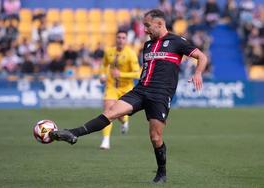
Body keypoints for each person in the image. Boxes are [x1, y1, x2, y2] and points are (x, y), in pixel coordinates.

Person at [49, 9, 208, 184]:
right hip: (140, 90)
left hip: (160, 95)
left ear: (160, 23)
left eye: (148, 26)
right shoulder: (147, 45)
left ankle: (162, 173)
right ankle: (73, 133)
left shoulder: (177, 42)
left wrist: (198, 73)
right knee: (110, 112)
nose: (145, 30)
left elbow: (201, 57)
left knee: (156, 137)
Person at [99, 30, 140, 149]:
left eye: (123, 38)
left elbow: (137, 74)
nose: (121, 40)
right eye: (119, 37)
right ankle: (105, 140)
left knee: (120, 115)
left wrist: (121, 74)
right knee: (108, 111)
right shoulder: (109, 51)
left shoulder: (131, 54)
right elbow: (104, 64)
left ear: (126, 40)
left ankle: (124, 121)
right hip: (111, 86)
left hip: (126, 88)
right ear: (115, 39)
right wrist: (102, 75)